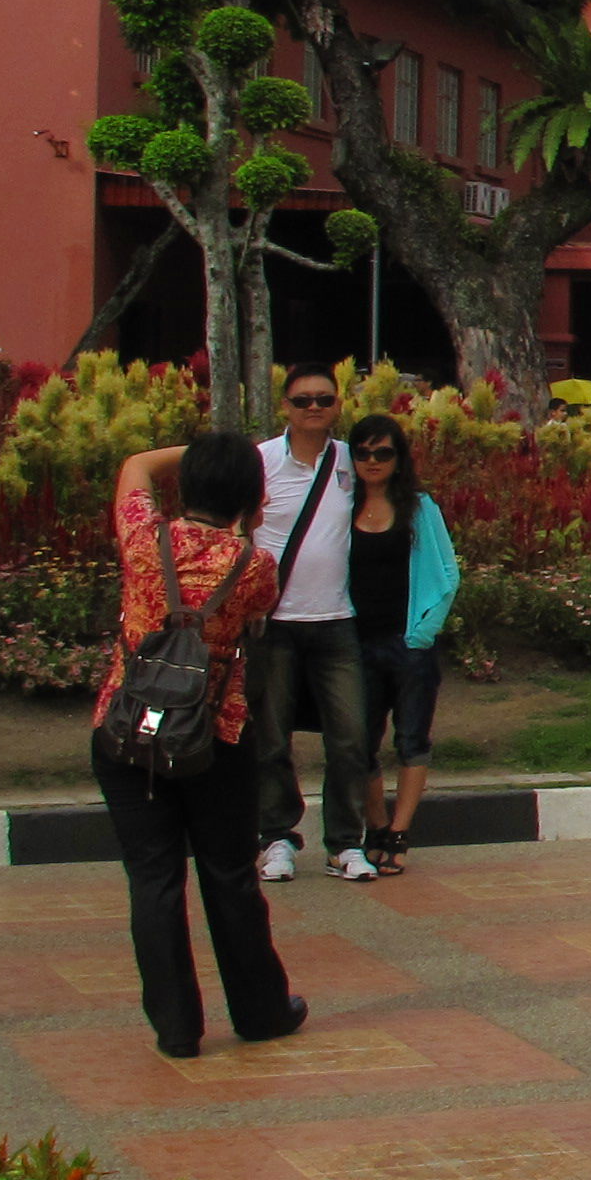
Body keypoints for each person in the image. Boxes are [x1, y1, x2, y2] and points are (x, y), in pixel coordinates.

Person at [93, 431, 306, 1057]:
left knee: (153, 879)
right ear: (249, 495)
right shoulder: (253, 568)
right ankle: (261, 1010)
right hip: (216, 736)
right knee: (229, 875)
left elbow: (134, 461)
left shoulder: (143, 539)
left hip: (127, 729)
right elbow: (261, 611)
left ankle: (177, 1027)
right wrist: (249, 507)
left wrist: (199, 454)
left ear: (187, 485)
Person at [249, 366, 375, 884]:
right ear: (286, 406)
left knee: (350, 738)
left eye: (324, 399)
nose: (313, 408)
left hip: (336, 620)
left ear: (338, 404)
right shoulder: (260, 461)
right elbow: (239, 527)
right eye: (303, 401)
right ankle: (276, 837)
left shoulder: (351, 460)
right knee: (271, 737)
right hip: (273, 620)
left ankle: (345, 843)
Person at [342, 413, 457, 879]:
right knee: (359, 743)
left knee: (411, 740)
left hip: (408, 643)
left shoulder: (418, 507)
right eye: (363, 453)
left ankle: (400, 833)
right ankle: (377, 825)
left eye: (383, 452)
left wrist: (422, 634)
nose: (372, 461)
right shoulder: (341, 507)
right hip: (355, 643)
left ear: (398, 457)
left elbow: (447, 575)